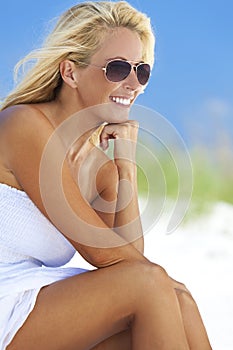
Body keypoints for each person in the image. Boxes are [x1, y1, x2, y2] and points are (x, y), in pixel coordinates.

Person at [0, 1, 212, 349]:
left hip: (37, 300)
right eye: (117, 68)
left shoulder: (100, 170)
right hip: (7, 300)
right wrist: (166, 285)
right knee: (157, 287)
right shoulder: (23, 125)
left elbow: (129, 260)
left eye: (142, 71)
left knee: (178, 302)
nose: (133, 84)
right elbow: (111, 259)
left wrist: (124, 165)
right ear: (70, 72)